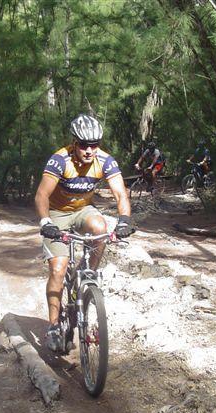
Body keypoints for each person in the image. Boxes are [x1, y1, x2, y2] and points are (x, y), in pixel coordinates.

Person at [35, 113, 134, 352]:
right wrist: (46, 221)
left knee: (101, 229)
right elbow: (42, 195)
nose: (89, 150)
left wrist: (124, 220)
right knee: (58, 269)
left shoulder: (105, 160)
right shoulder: (60, 160)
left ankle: (85, 274)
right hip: (57, 213)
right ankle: (54, 326)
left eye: (94, 144)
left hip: (83, 209)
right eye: (83, 145)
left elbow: (121, 193)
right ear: (74, 142)